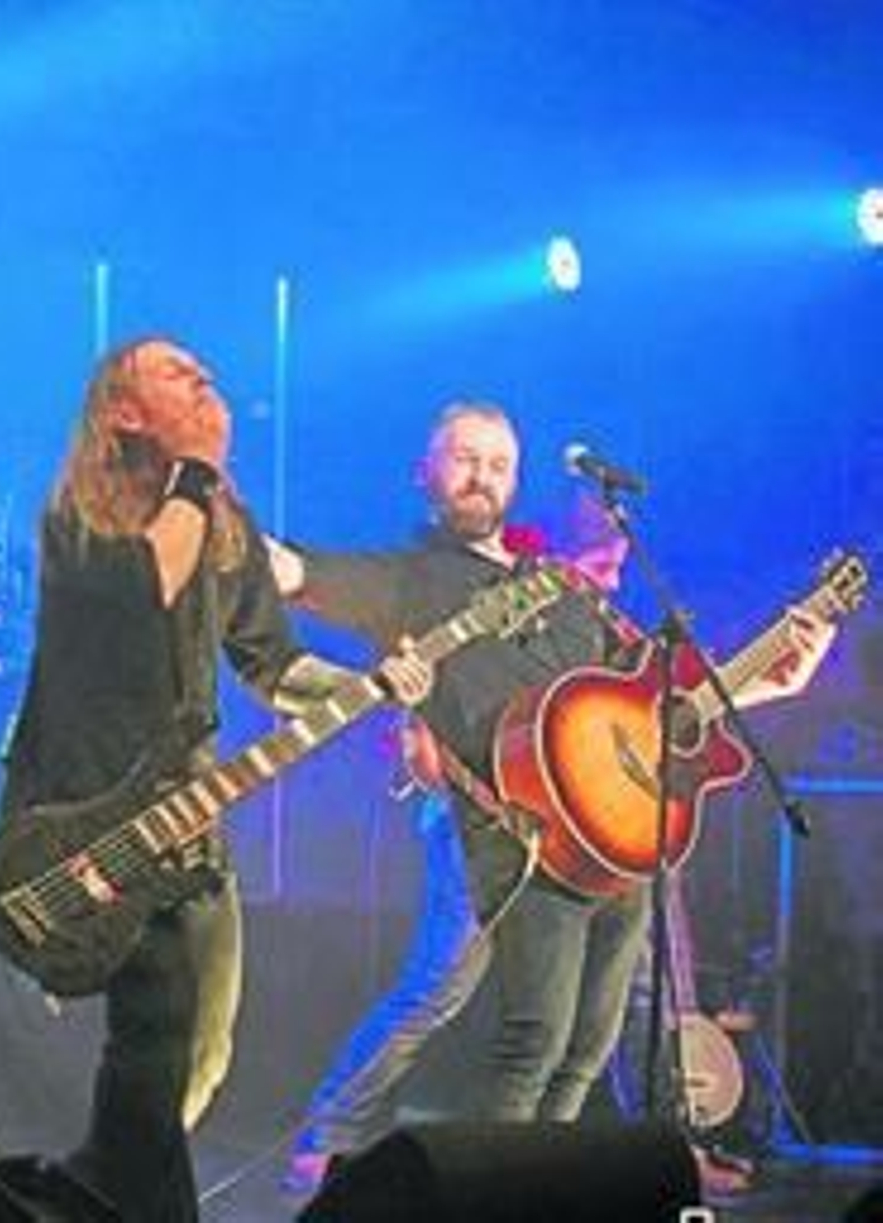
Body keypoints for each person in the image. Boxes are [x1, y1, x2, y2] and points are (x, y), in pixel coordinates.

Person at [269, 400, 835, 1193]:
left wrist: (776, 678)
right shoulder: (409, 577)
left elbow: (665, 701)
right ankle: (445, 1175)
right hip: (505, 834)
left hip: (608, 841)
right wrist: (230, 540)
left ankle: (540, 1184)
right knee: (496, 1017)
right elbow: (300, 574)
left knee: (589, 1042)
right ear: (423, 473)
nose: (482, 475)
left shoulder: (563, 589)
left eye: (498, 463)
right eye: (464, 458)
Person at [0, 338, 427, 1222]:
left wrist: (371, 687)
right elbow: (148, 579)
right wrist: (196, 470)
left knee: (197, 1046)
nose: (203, 380)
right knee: (153, 1026)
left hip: (187, 811)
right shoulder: (77, 516)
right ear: (122, 412)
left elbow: (272, 664)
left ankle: (98, 1189)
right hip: (84, 807)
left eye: (206, 371)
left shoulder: (223, 521)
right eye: (173, 372)